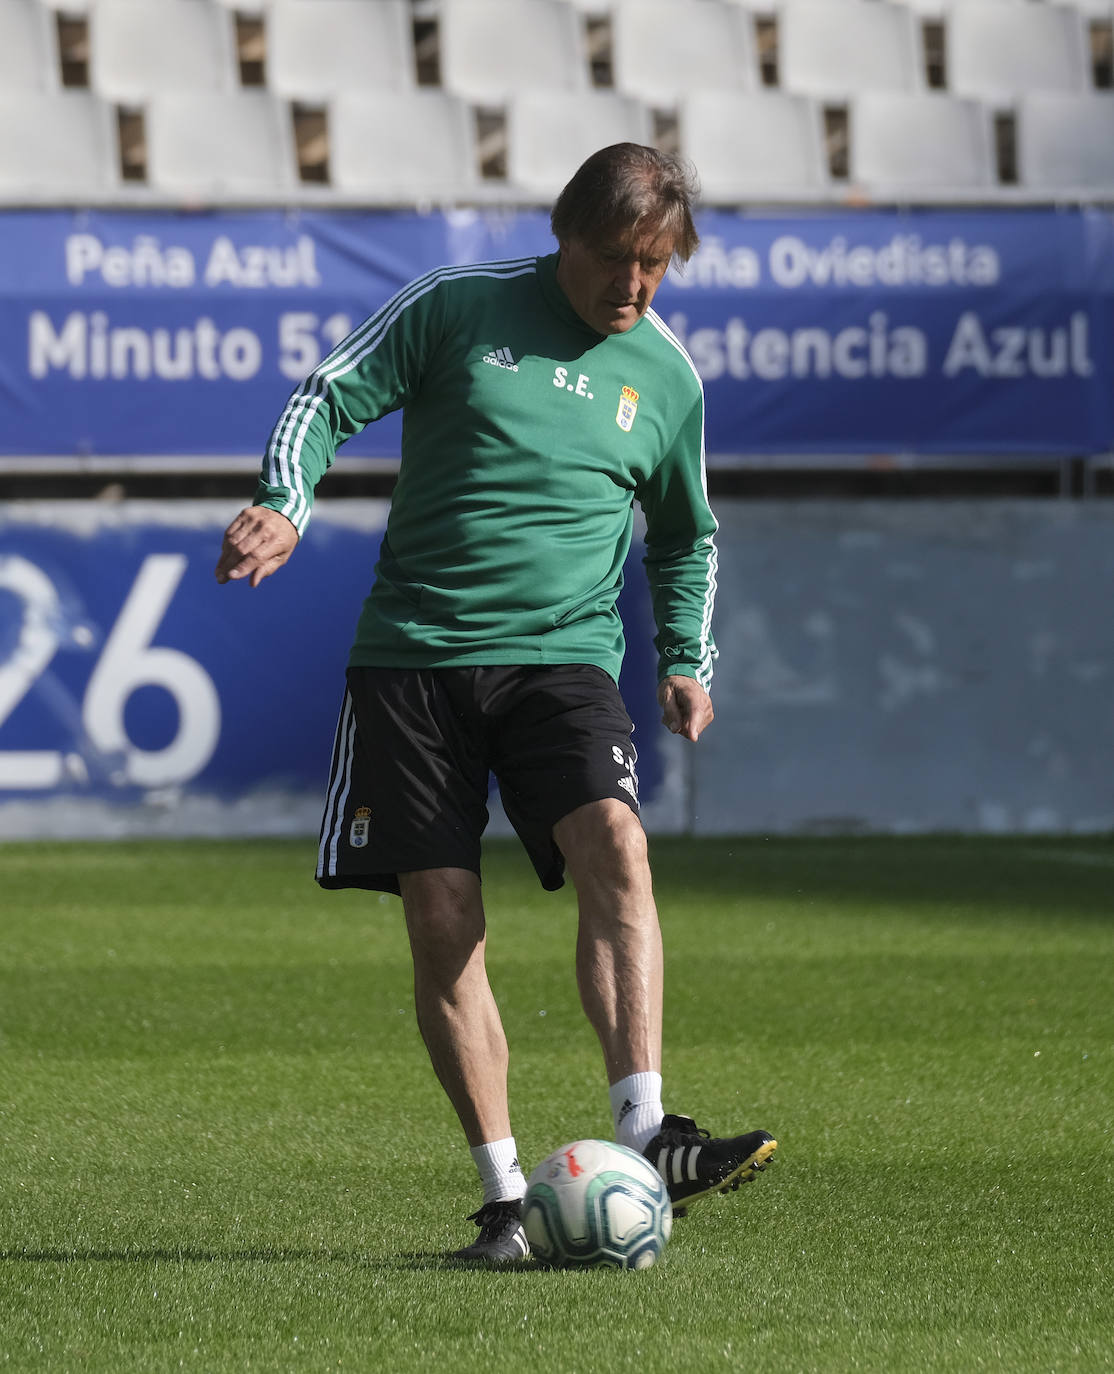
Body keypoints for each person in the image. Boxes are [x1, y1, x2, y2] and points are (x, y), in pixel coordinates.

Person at [215, 143, 776, 1265]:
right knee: (442, 919)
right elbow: (328, 395)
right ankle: (508, 1202)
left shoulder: (664, 377)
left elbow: (687, 536)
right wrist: (286, 502)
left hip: (560, 661)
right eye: (618, 258)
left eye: (656, 265)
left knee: (617, 843)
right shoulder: (459, 307)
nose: (634, 285)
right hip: (413, 660)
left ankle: (645, 1127)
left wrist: (685, 657)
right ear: (565, 233)